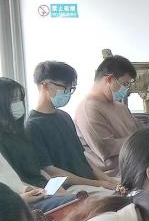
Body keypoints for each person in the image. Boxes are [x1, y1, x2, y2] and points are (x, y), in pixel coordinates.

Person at [26, 61, 118, 191]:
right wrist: (98, 184)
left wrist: (108, 180)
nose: (68, 93)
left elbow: (82, 158)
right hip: (69, 189)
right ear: (46, 85)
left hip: (90, 184)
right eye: (65, 88)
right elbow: (51, 172)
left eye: (71, 89)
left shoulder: (64, 116)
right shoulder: (32, 126)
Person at [74, 55, 142, 177]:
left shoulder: (120, 107)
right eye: (125, 84)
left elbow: (140, 130)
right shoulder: (89, 108)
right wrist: (142, 139)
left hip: (138, 167)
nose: (126, 89)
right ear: (110, 79)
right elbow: (106, 149)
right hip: (115, 177)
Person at [0, 77, 49, 189]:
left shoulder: (20, 132)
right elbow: (11, 179)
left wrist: (56, 188)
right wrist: (43, 192)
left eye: (20, 99)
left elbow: (38, 170)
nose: (19, 103)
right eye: (14, 99)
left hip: (44, 188)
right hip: (29, 193)